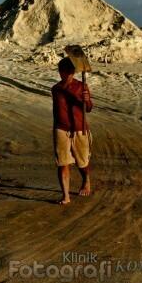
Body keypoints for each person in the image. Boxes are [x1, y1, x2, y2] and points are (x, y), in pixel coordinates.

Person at [52, 57, 93, 205]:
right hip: (61, 129)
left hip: (79, 129)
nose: (68, 75)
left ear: (74, 72)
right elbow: (56, 111)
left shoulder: (82, 87)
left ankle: (86, 179)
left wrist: (85, 99)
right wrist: (56, 128)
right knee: (63, 163)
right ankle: (66, 196)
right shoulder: (55, 89)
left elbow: (88, 108)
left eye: (70, 72)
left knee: (82, 162)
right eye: (65, 72)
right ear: (60, 72)